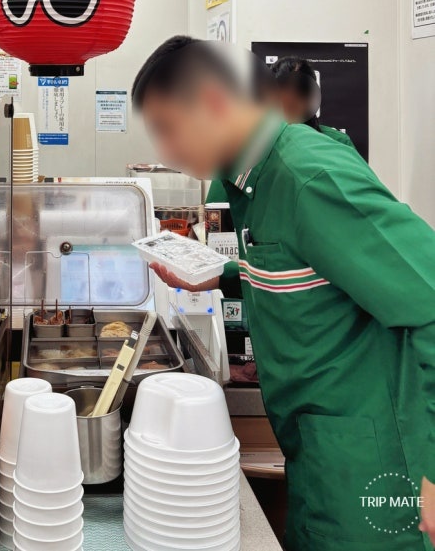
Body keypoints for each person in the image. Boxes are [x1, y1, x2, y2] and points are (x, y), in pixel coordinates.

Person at [132, 35, 435, 551]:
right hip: (321, 455)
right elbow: (303, 264)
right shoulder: (252, 180)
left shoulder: (309, 176)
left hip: (375, 468)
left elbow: (427, 297)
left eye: (167, 128)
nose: (165, 151)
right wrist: (223, 274)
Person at [207, 54, 356, 295]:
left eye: (297, 100)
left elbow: (355, 217)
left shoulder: (336, 145)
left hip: (325, 278)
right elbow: (217, 215)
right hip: (260, 278)